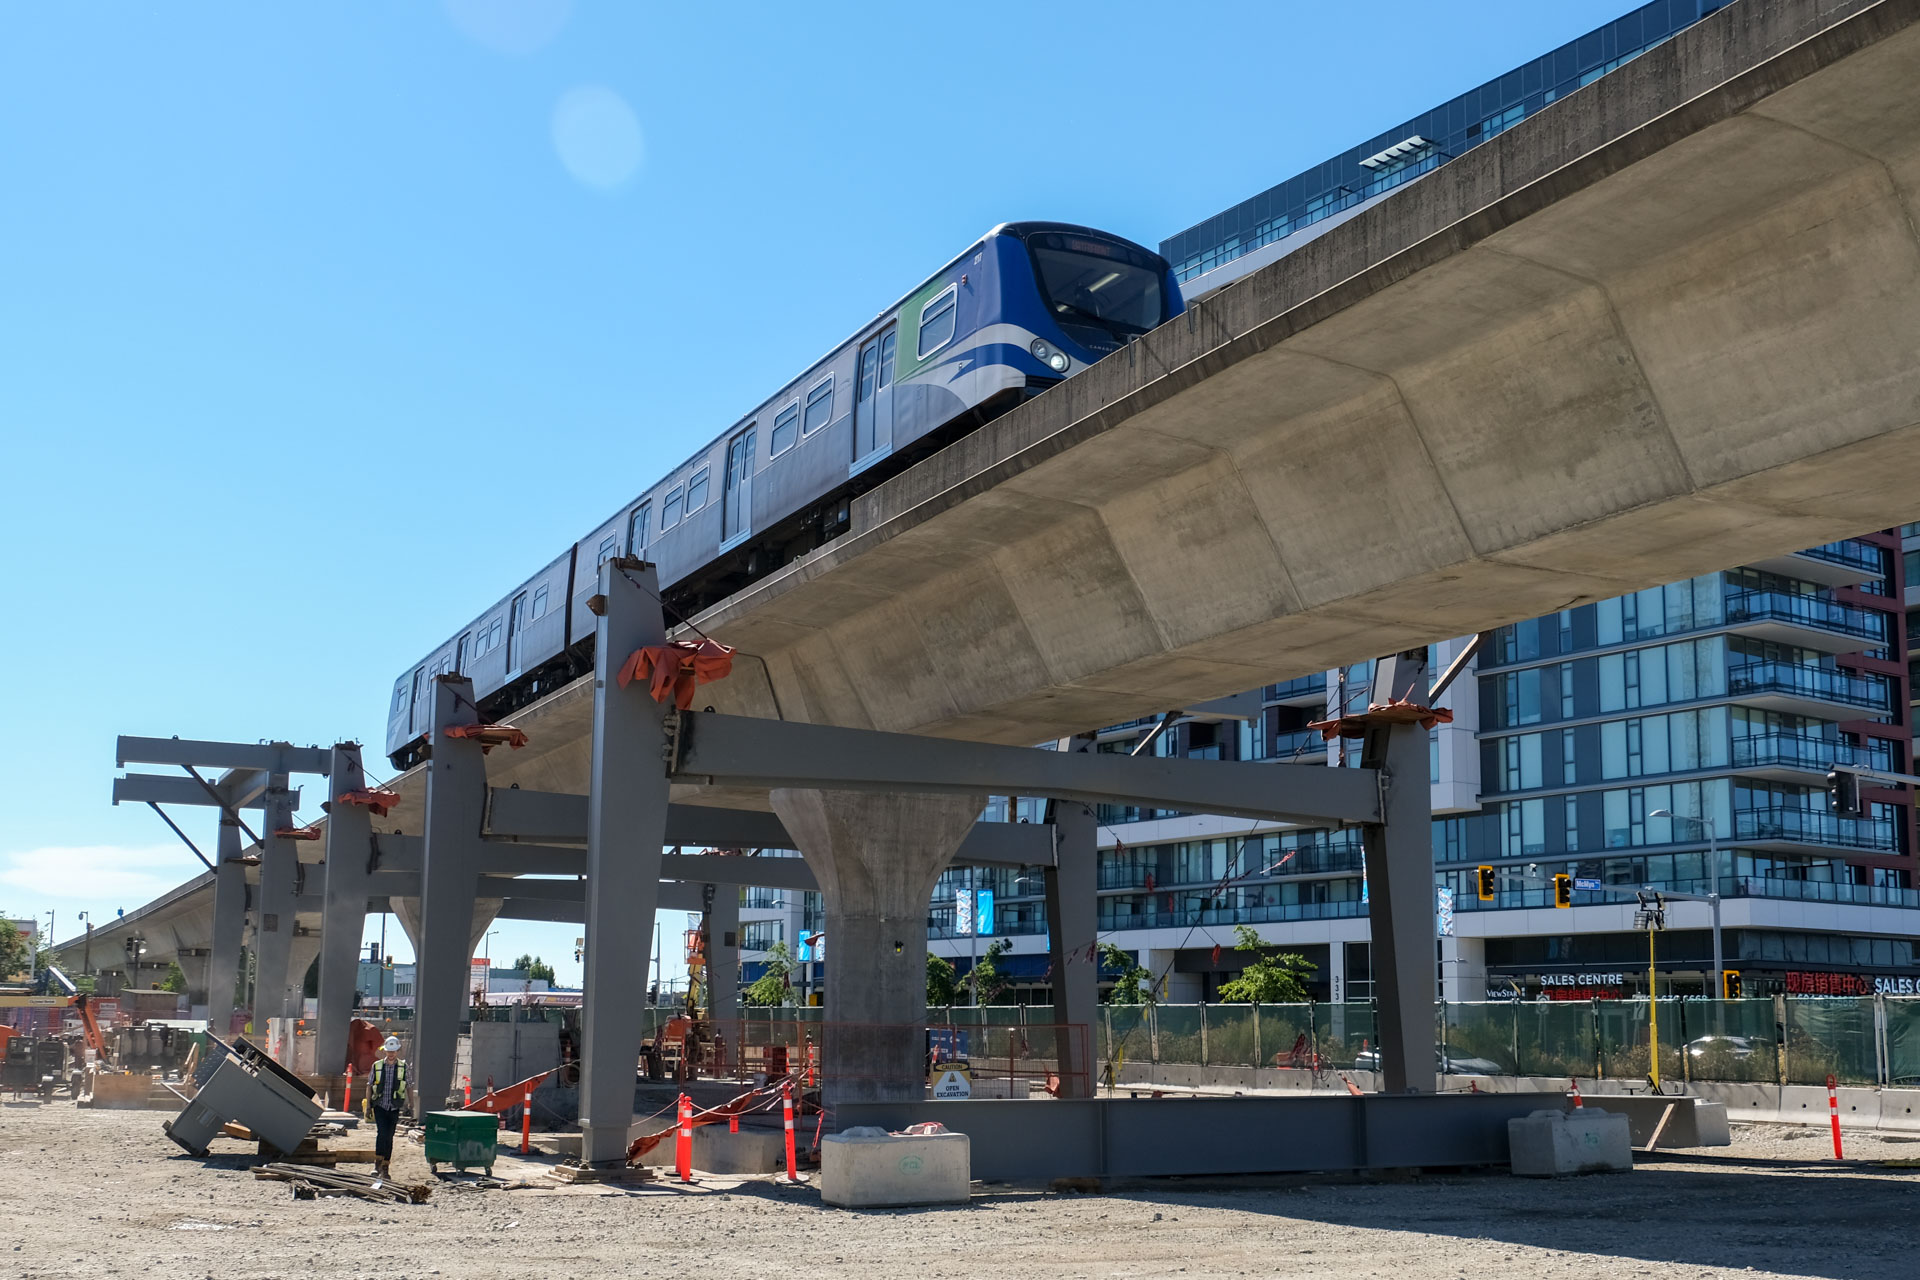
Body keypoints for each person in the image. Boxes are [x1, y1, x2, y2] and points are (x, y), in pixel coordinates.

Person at [363, 1036, 408, 1176]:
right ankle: (377, 1165)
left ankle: (386, 1166)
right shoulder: (377, 1066)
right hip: (380, 1106)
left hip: (394, 1107)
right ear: (385, 1051)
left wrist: (411, 1105)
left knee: (389, 1136)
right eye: (389, 1051)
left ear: (397, 1051)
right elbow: (369, 1086)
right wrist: (369, 1105)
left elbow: (409, 1086)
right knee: (381, 1134)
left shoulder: (403, 1067)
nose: (391, 1054)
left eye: (393, 1051)